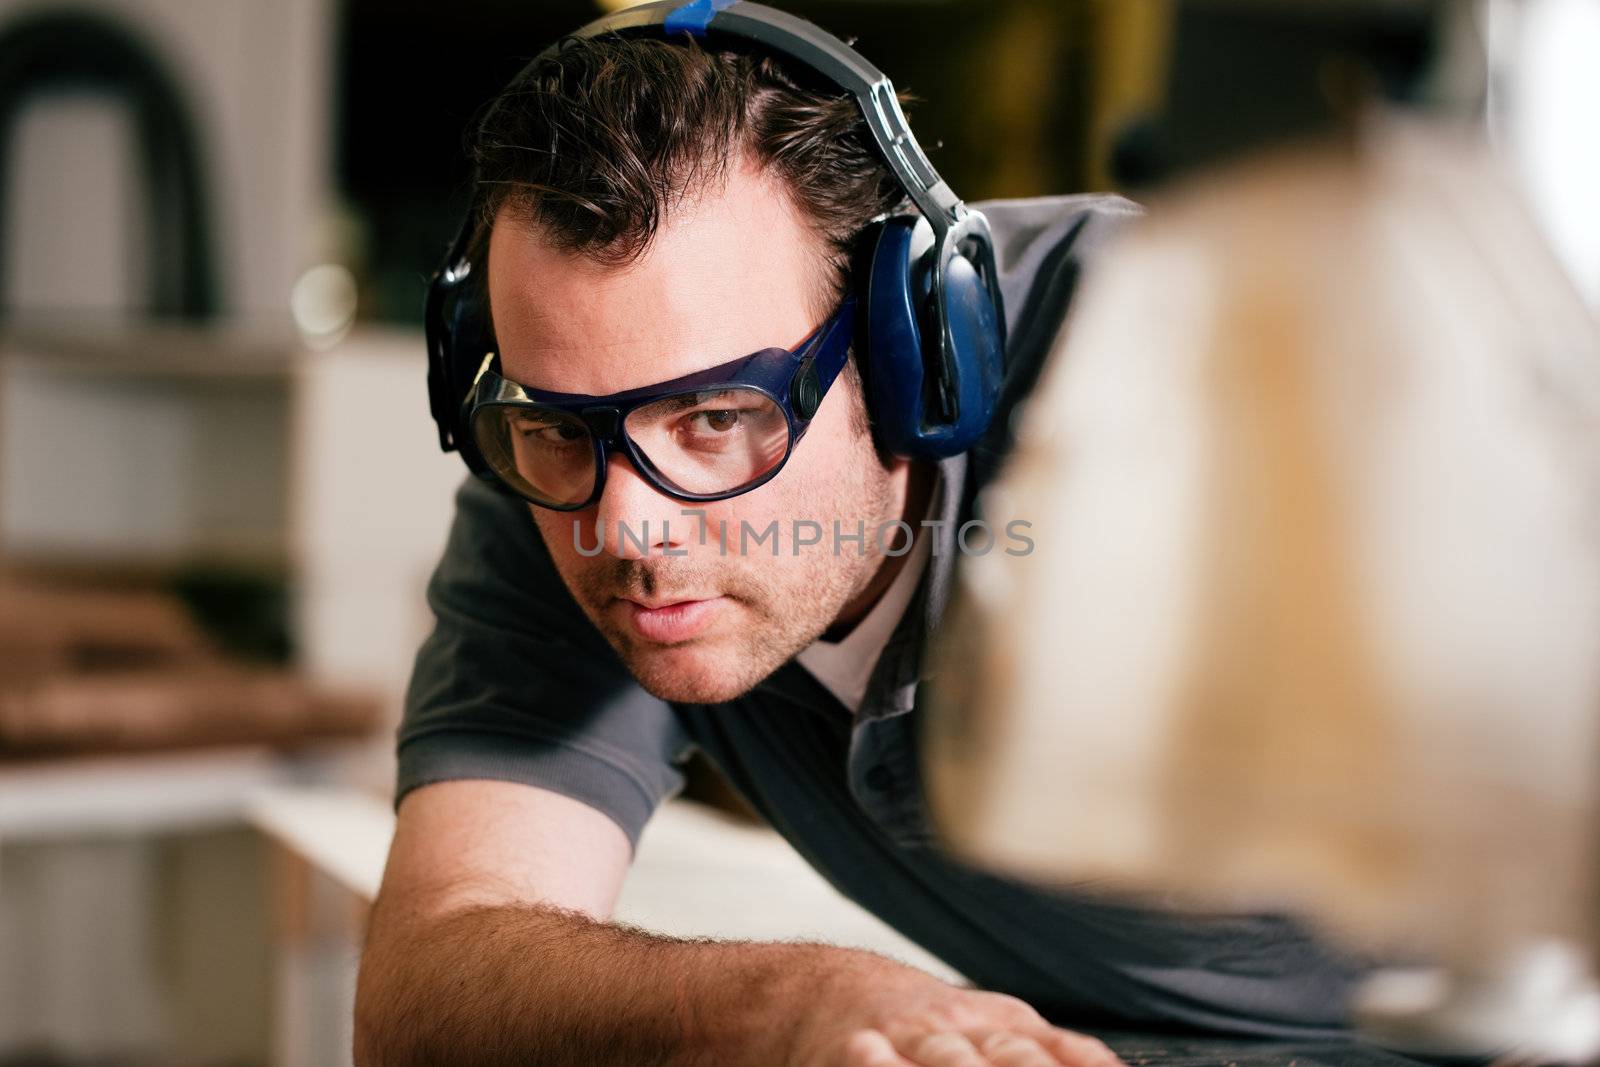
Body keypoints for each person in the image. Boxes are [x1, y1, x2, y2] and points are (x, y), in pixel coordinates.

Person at [354, 5, 1376, 1065]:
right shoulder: (553, 470)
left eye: (714, 418)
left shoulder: (1198, 359)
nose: (628, 527)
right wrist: (786, 999)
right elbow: (426, 983)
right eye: (561, 424)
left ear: (910, 354)